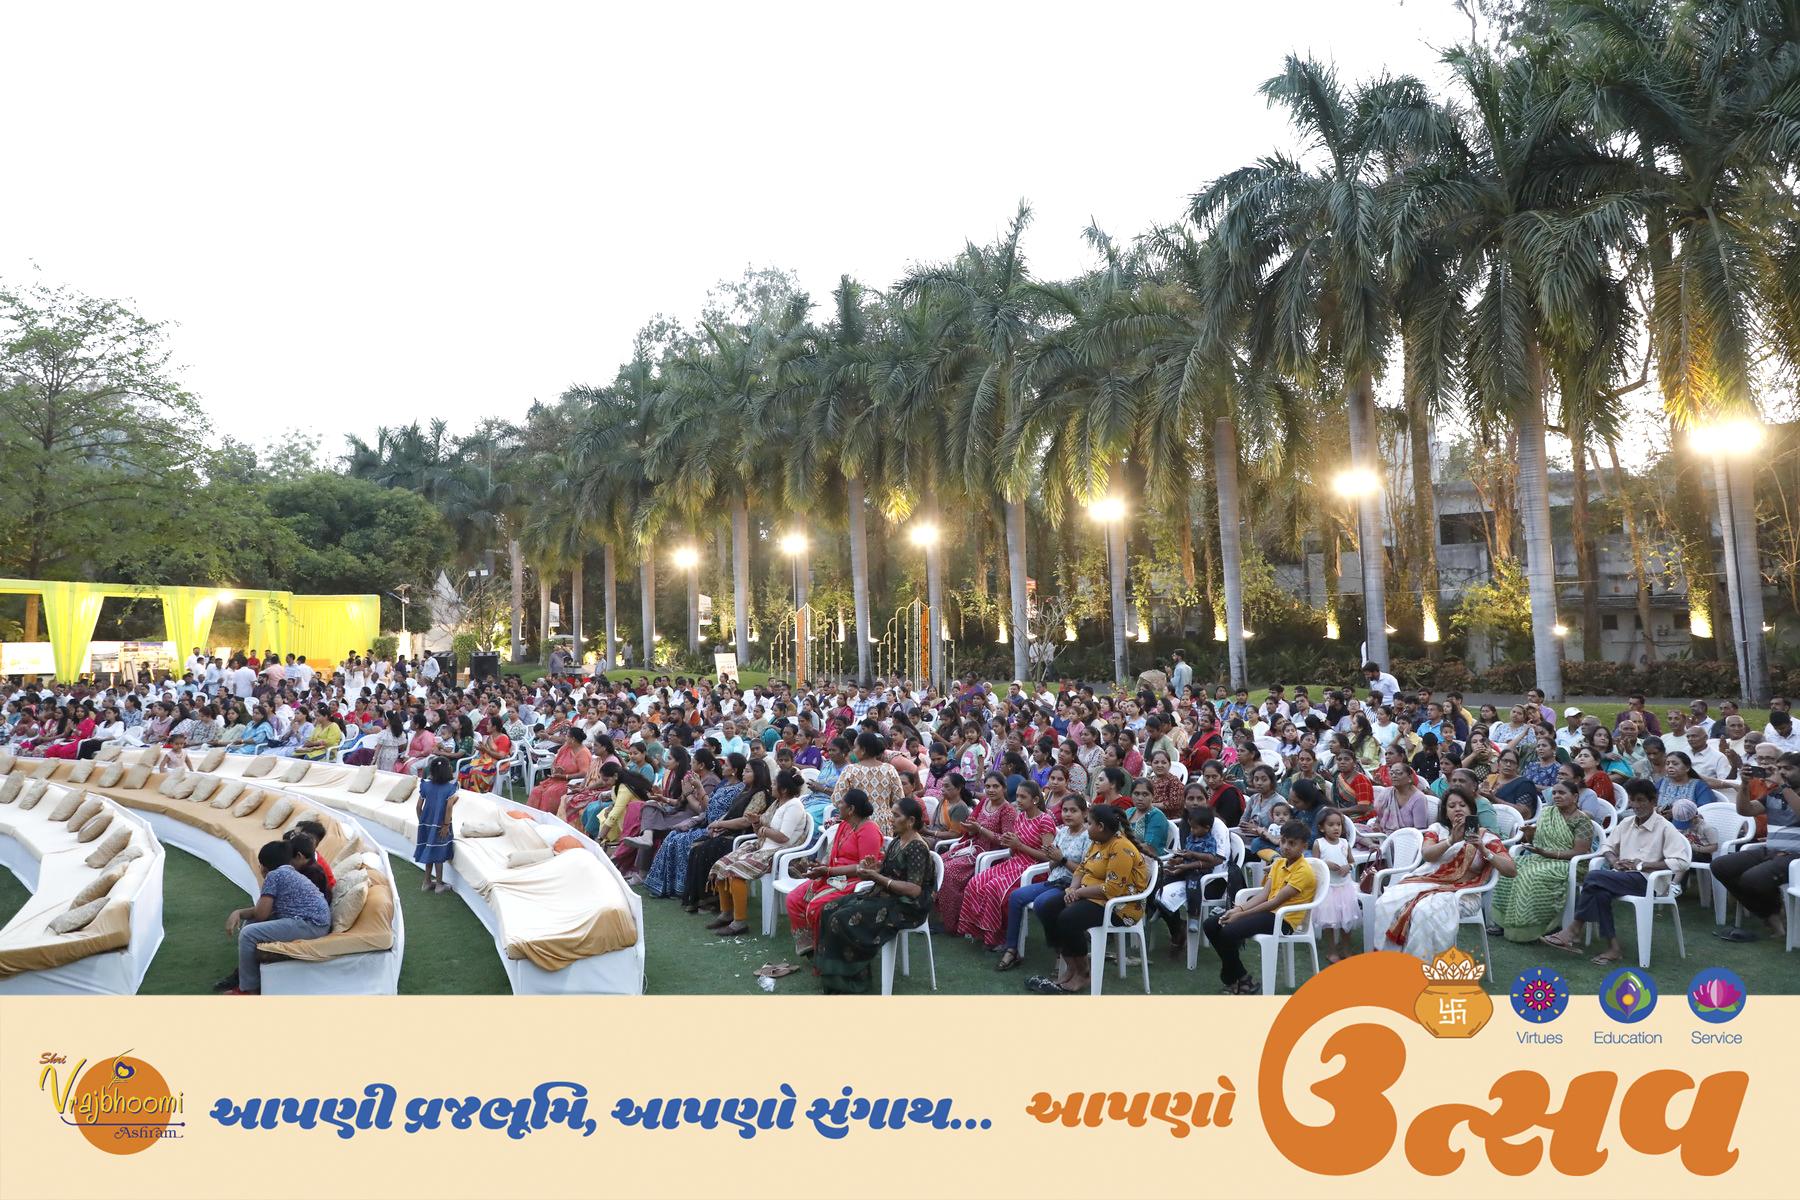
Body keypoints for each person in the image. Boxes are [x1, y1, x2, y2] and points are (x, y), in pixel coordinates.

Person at [1542, 778, 1690, 966]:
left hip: (1648, 881)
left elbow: (1681, 862)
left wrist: (1643, 865)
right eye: (1632, 800)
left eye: (1641, 800)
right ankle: (1613, 948)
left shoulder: (1665, 827)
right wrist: (1614, 861)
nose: (1635, 805)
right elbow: (1606, 846)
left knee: (1593, 877)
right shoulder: (1627, 823)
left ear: (1653, 801)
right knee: (1599, 892)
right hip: (1621, 877)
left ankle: (1575, 928)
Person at [813, 796, 937, 993]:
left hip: (907, 906)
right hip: (887, 895)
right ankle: (833, 974)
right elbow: (888, 869)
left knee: (840, 918)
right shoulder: (898, 840)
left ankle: (852, 980)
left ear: (911, 821)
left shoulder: (917, 847)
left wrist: (877, 877)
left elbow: (914, 889)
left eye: (896, 816)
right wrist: (872, 869)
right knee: (828, 909)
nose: (891, 819)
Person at [1373, 792, 1516, 961]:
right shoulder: (1437, 830)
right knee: (1387, 901)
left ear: (1471, 810)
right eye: (1452, 806)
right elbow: (1427, 855)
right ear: (1445, 812)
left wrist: (1484, 850)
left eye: (1462, 805)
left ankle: (1421, 965)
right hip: (1427, 882)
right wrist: (1451, 840)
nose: (1458, 809)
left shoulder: (1486, 837)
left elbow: (1511, 870)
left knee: (1424, 912)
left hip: (1464, 894)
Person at [1025, 803, 1149, 995]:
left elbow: (1112, 889)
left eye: (1089, 823)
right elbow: (1082, 869)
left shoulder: (1121, 848)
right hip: (1091, 895)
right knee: (1048, 908)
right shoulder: (1098, 841)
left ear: (1100, 826)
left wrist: (1079, 893)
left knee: (1068, 918)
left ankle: (1083, 972)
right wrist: (1072, 888)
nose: (1086, 826)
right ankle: (1071, 967)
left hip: (1120, 906)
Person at [1204, 818, 1316, 994]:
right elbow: (1264, 895)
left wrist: (1240, 915)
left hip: (1283, 920)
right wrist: (1238, 909)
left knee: (1228, 932)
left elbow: (1274, 902)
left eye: (1292, 843)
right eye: (1283, 841)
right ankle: (1242, 978)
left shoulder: (1304, 871)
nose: (1286, 847)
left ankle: (1233, 979)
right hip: (1268, 913)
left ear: (1304, 846)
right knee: (1210, 924)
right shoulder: (1279, 863)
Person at [216, 840, 332, 995]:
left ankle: (250, 991)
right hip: (315, 923)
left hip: (311, 925)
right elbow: (261, 912)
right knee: (251, 923)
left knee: (248, 934)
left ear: (263, 866)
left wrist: (239, 912)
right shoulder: (288, 873)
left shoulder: (274, 875)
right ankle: (252, 980)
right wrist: (239, 913)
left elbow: (261, 914)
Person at [1488, 778, 1595, 943]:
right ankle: (1504, 923)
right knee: (1510, 870)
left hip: (1569, 863)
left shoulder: (1582, 820)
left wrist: (1548, 853)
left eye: (1562, 793)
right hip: (1542, 857)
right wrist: (1529, 834)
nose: (1556, 796)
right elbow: (1538, 843)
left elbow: (1579, 851)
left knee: (1530, 876)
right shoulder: (1548, 813)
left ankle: (1528, 927)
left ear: (1575, 797)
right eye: (1554, 793)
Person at [956, 779, 1060, 949]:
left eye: (1023, 797)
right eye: (1017, 796)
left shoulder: (1045, 820)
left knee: (994, 887)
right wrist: (1010, 843)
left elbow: (1048, 857)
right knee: (976, 882)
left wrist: (1019, 846)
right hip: (1015, 862)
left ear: (1035, 799)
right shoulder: (1021, 817)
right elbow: (1013, 849)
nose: (1018, 800)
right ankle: (979, 931)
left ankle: (999, 938)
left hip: (1034, 869)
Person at [707, 767, 809, 936]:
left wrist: (763, 830)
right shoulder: (777, 803)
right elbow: (761, 830)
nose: (772, 787)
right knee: (721, 865)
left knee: (734, 872)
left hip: (778, 853)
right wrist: (756, 822)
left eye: (775, 784)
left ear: (784, 789)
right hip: (763, 846)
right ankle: (726, 913)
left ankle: (739, 922)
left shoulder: (794, 806)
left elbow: (783, 837)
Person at [996, 793, 1090, 972]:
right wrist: (1053, 857)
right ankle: (1012, 949)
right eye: (1065, 810)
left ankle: (1061, 949)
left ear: (1084, 813)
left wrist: (1061, 859)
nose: (1068, 814)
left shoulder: (1088, 837)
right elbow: (1052, 863)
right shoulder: (1062, 832)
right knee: (1015, 896)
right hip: (1053, 880)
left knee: (1042, 904)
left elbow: (1086, 872)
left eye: (1073, 811)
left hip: (1071, 885)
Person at [1714, 749, 1800, 942]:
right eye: (1779, 768)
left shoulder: (1782, 789)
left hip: (1796, 857)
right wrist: (1745, 785)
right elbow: (1745, 810)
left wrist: (1783, 785)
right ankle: (1772, 915)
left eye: (1788, 768)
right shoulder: (1775, 793)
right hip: (1771, 850)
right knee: (1721, 866)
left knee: (1753, 878)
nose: (1781, 772)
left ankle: (1773, 917)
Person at [787, 788, 883, 956]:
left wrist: (828, 871)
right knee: (794, 899)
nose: (838, 805)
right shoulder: (845, 825)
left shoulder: (869, 830)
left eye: (841, 803)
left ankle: (827, 954)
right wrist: (820, 866)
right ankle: (811, 948)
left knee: (816, 907)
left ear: (851, 809)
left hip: (855, 880)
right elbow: (834, 855)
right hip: (834, 875)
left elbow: (866, 869)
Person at [936, 772, 1019, 932]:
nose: (991, 790)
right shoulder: (984, 802)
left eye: (995, 786)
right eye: (988, 786)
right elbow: (971, 825)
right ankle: (943, 915)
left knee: (949, 871)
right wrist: (970, 827)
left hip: (990, 854)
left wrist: (980, 829)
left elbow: (1005, 841)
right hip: (972, 847)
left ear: (1004, 788)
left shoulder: (1008, 810)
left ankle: (953, 923)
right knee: (939, 862)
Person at [1312, 809, 1360, 962]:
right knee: (1330, 922)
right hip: (1328, 889)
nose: (1336, 828)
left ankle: (1346, 948)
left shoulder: (1345, 843)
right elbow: (1314, 864)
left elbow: (1352, 861)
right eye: (1331, 825)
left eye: (1338, 824)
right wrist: (1325, 864)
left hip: (1345, 888)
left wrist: (1348, 867)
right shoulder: (1319, 844)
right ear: (1322, 828)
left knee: (1347, 919)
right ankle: (1331, 950)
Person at [414, 756, 457, 893]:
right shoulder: (450, 788)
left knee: (429, 850)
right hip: (441, 825)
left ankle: (426, 882)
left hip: (426, 825)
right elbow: (449, 807)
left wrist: (422, 822)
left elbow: (418, 806)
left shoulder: (425, 785)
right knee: (438, 853)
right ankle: (439, 884)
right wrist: (446, 825)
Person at [527, 728, 591, 814]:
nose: (565, 737)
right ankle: (532, 815)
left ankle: (548, 817)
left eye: (567, 736)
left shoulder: (583, 753)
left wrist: (565, 776)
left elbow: (584, 773)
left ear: (573, 739)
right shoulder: (566, 747)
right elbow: (555, 762)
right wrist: (555, 770)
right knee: (536, 791)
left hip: (570, 782)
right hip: (557, 779)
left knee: (550, 792)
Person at [458, 718, 513, 793]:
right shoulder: (490, 737)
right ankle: (465, 792)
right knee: (464, 769)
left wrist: (485, 750)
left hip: (499, 764)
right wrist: (481, 749)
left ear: (494, 727)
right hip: (486, 761)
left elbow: (501, 756)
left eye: (488, 724)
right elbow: (486, 753)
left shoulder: (504, 738)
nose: (486, 726)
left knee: (475, 772)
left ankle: (477, 792)